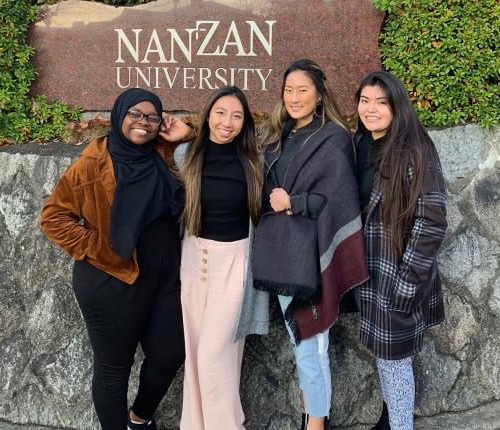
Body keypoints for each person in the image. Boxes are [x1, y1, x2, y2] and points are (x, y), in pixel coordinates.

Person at [40, 88, 190, 430]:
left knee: (170, 352)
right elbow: (53, 219)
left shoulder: (158, 153)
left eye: (152, 117)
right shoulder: (92, 164)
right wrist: (100, 245)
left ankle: (138, 419)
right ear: (119, 114)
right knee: (114, 367)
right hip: (112, 279)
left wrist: (188, 132)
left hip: (164, 278)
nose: (144, 122)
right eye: (135, 114)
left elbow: (187, 139)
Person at [235, 59, 369, 430]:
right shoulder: (278, 137)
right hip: (280, 256)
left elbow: (340, 201)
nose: (294, 98)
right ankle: (312, 414)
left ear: (319, 94)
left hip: (312, 255)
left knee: (312, 345)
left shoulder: (333, 138)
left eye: (302, 90)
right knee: (301, 343)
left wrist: (293, 202)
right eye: (288, 90)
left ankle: (316, 423)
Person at [353, 70, 447, 430]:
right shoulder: (361, 143)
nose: (370, 109)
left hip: (398, 272)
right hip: (371, 271)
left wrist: (407, 282)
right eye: (364, 100)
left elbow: (432, 220)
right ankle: (389, 419)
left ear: (397, 106)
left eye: (381, 102)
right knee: (384, 355)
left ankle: (400, 425)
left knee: (394, 362)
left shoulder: (414, 148)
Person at [170, 86, 262, 430]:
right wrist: (189, 134)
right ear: (208, 114)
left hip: (234, 264)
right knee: (194, 357)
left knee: (214, 358)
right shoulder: (185, 155)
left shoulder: (255, 161)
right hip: (193, 260)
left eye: (237, 116)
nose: (228, 122)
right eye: (221, 112)